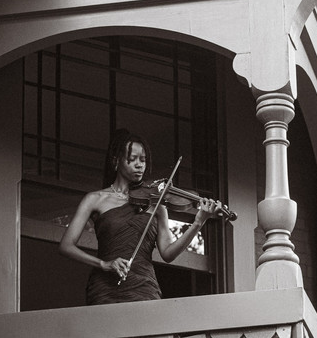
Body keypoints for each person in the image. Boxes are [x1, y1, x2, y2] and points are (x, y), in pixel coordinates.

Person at [59, 129, 221, 305]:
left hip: (144, 289)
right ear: (116, 161)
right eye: (132, 159)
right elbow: (66, 246)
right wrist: (104, 264)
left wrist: (198, 222)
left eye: (143, 160)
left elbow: (168, 253)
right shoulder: (94, 199)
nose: (139, 165)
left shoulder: (156, 204)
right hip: (104, 290)